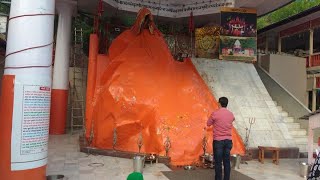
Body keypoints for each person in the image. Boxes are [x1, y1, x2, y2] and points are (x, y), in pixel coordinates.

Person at [207, 97, 235, 180]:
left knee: (218, 162)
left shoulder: (215, 113)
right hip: (228, 141)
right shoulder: (231, 114)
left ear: (219, 103)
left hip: (218, 141)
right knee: (226, 161)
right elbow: (232, 119)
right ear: (226, 104)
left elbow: (208, 123)